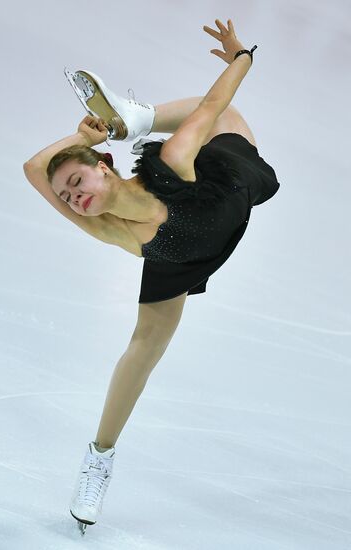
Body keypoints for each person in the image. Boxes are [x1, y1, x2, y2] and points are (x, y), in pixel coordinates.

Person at [23, 18, 280, 530]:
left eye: (76, 180)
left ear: (105, 166)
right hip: (179, 258)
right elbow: (35, 170)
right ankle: (100, 456)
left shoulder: (175, 160)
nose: (74, 197)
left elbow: (211, 105)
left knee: (225, 115)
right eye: (68, 196)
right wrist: (78, 140)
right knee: (143, 352)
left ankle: (134, 120)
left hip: (225, 185)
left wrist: (242, 56)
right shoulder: (111, 229)